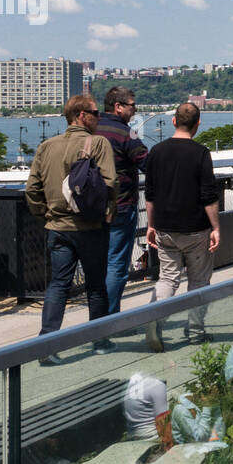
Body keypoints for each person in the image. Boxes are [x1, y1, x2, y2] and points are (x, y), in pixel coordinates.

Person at [26, 93, 118, 363]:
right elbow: (111, 183)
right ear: (81, 115)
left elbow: (32, 189)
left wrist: (45, 214)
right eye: (95, 112)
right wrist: (107, 210)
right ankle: (99, 340)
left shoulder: (46, 146)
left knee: (58, 284)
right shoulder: (98, 143)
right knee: (96, 286)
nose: (99, 117)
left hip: (57, 227)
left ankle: (47, 344)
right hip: (90, 227)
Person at [143, 103, 220, 351]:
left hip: (165, 227)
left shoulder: (156, 151)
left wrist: (151, 225)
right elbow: (209, 195)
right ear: (198, 124)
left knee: (167, 278)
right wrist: (216, 227)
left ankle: (155, 321)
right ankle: (196, 332)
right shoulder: (201, 153)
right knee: (198, 281)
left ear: (174, 121)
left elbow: (150, 194)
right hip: (196, 229)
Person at [95, 87, 149, 318]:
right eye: (132, 105)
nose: (134, 110)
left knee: (97, 264)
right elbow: (147, 163)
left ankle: (95, 316)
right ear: (118, 106)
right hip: (121, 205)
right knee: (116, 263)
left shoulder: (90, 129)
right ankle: (109, 318)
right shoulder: (127, 133)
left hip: (90, 207)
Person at [123, 372, 171, 448]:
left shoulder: (132, 382)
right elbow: (163, 421)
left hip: (133, 435)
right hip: (152, 437)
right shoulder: (157, 385)